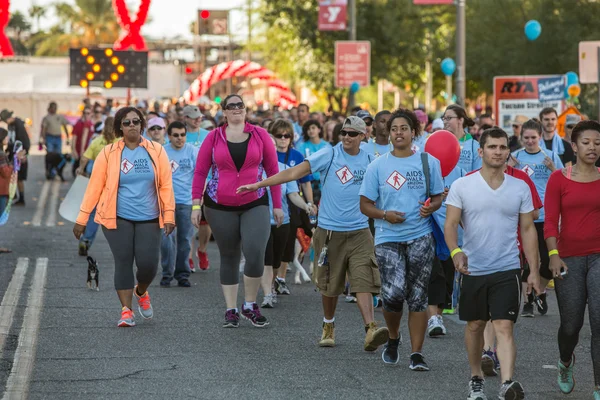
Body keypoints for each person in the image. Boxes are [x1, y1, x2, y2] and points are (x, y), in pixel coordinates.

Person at [238, 116, 389, 351]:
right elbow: (294, 173)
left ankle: (370, 328)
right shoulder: (330, 154)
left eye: (352, 133)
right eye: (343, 133)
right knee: (329, 285)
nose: (346, 137)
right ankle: (328, 325)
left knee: (363, 281)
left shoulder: (372, 159)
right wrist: (260, 184)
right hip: (329, 231)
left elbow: (385, 186)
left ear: (363, 136)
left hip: (360, 231)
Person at [445, 127, 541, 400]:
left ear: (508, 152)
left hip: (507, 267)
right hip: (473, 267)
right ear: (481, 151)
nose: (498, 152)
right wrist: (455, 252)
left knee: (504, 326)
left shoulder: (519, 187)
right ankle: (476, 378)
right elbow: (451, 224)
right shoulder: (463, 185)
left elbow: (527, 230)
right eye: (492, 147)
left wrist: (533, 271)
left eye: (502, 147)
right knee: (475, 325)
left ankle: (507, 383)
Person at [73, 107, 175, 327]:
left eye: (136, 121)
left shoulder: (156, 150)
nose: (132, 126)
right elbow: (94, 187)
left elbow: (166, 185)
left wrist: (169, 215)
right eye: (127, 122)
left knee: (148, 265)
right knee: (123, 261)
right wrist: (82, 219)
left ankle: (142, 291)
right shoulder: (108, 153)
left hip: (149, 217)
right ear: (120, 126)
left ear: (142, 125)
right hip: (116, 218)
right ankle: (126, 311)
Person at [359, 108, 444, 370]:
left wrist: (432, 207)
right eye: (394, 128)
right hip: (387, 237)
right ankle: (394, 338)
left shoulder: (429, 162)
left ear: (413, 132)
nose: (398, 133)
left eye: (404, 128)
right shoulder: (378, 165)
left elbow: (439, 196)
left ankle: (417, 354)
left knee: (418, 297)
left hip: (420, 236)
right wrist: (385, 214)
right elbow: (365, 205)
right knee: (393, 294)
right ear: (388, 132)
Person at [192, 94, 283, 328]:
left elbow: (273, 171)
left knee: (255, 252)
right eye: (231, 106)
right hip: (219, 204)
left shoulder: (260, 135)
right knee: (229, 255)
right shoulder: (213, 137)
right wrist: (195, 205)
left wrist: (278, 206)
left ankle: (250, 305)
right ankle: (231, 309)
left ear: (245, 109)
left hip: (255, 201)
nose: (236, 109)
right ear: (224, 111)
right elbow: (200, 172)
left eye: (239, 105)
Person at [544, 120, 600, 398]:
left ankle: (599, 386)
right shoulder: (559, 178)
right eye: (587, 142)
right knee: (571, 324)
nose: (593, 147)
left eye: (598, 143)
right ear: (574, 147)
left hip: (599, 257)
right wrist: (553, 255)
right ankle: (565, 360)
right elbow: (551, 221)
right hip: (568, 259)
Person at [509, 119, 563, 317]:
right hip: (523, 215)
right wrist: (509, 165)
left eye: (534, 138)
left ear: (540, 137)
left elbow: (563, 181)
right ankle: (528, 301)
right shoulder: (515, 156)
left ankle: (540, 291)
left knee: (548, 260)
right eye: (526, 138)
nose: (530, 141)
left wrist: (553, 169)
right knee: (528, 261)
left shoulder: (550, 156)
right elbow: (504, 180)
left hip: (546, 215)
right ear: (521, 138)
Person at [261, 136, 314, 308]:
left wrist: (306, 206)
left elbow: (293, 195)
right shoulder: (255, 170)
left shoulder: (285, 170)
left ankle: (273, 284)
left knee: (276, 260)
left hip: (282, 221)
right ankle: (267, 293)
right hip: (260, 221)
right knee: (266, 259)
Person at [160, 121, 197, 288]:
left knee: (184, 240)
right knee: (166, 240)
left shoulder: (192, 151)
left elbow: (200, 176)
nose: (179, 138)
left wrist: (198, 202)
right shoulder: (162, 152)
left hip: (186, 202)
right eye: (175, 135)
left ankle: (182, 275)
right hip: (166, 203)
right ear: (169, 136)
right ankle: (166, 274)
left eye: (182, 135)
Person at [75, 116, 119, 256]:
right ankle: (123, 246)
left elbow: (85, 157)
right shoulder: (120, 142)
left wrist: (81, 168)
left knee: (94, 214)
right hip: (114, 183)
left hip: (96, 182)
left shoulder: (97, 141)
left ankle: (86, 240)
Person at [183, 104, 211, 272]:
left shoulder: (208, 135)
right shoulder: (181, 136)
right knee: (189, 222)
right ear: (186, 118)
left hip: (207, 183)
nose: (198, 119)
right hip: (188, 185)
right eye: (194, 117)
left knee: (205, 222)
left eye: (200, 117)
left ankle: (202, 250)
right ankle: (189, 256)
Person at [297, 120, 332, 204]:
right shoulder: (302, 146)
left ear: (319, 130)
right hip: (309, 184)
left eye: (313, 128)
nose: (311, 131)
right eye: (308, 129)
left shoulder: (327, 146)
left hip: (324, 184)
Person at [1, 110, 30, 206]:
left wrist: (24, 154)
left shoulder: (18, 125)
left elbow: (25, 141)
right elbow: (11, 141)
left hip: (20, 155)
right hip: (13, 154)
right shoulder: (11, 125)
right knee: (13, 176)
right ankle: (14, 195)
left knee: (19, 177)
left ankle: (21, 198)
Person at [442, 104, 482, 172]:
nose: (445, 122)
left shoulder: (474, 146)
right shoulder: (440, 143)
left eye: (448, 118)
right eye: (444, 118)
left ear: (460, 120)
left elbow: (477, 174)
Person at [71, 107, 93, 177]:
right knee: (78, 172)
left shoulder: (91, 124)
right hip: (80, 151)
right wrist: (73, 150)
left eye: (88, 113)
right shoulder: (78, 124)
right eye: (85, 113)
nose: (86, 115)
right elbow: (74, 138)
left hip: (89, 151)